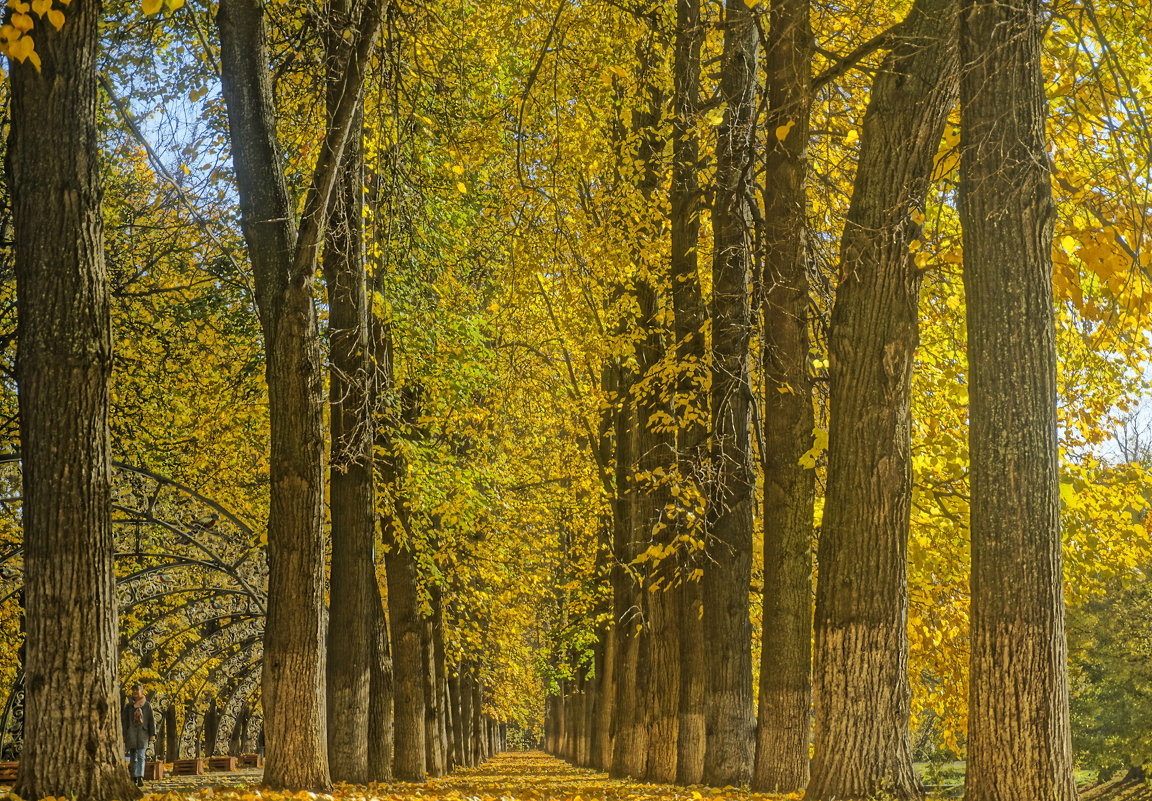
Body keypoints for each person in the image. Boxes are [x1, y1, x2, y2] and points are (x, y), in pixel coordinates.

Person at [121, 684, 156, 787]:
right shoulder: (128, 706)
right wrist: (124, 734)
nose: (135, 692)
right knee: (133, 756)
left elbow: (151, 720)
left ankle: (140, 776)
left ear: (142, 691)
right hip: (131, 733)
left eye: (137, 690)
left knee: (141, 756)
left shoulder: (147, 705)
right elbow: (125, 721)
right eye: (133, 690)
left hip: (143, 734)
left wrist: (152, 734)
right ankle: (133, 777)